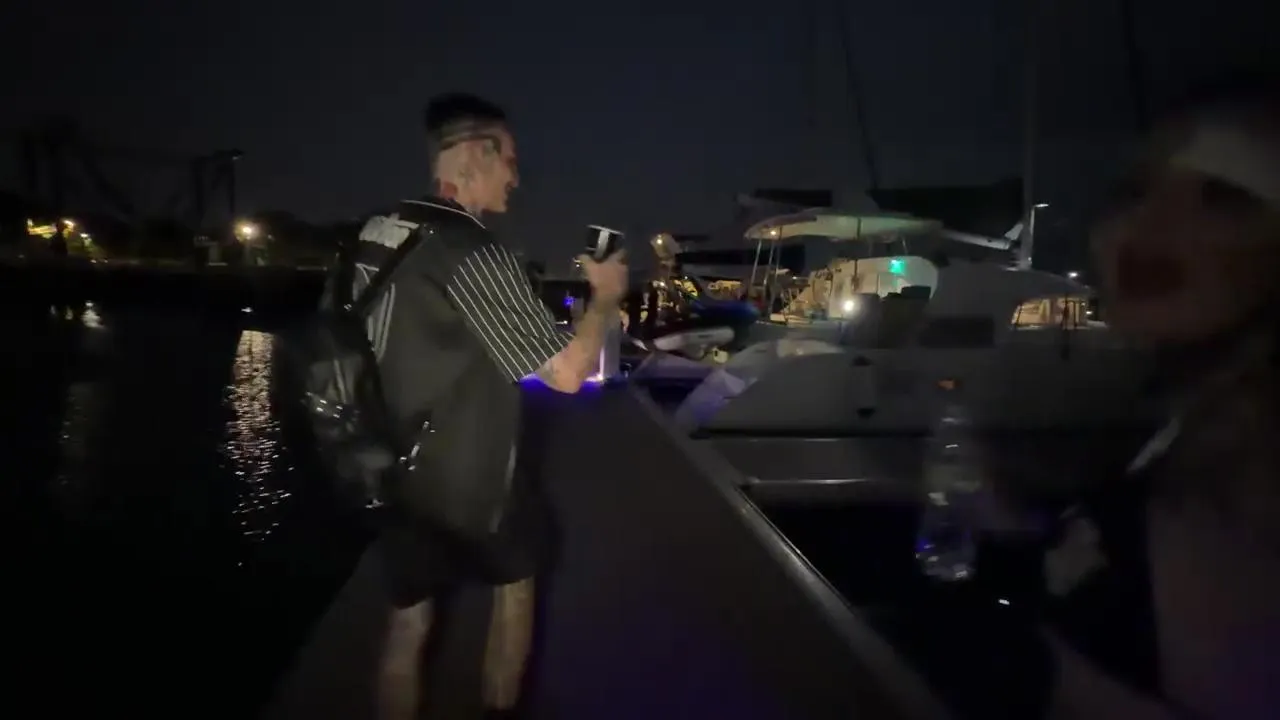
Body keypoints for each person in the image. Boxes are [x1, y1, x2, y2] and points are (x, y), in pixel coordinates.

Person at [264, 93, 628, 719]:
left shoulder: (372, 234)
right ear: (476, 157)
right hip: (471, 480)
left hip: (382, 468)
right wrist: (604, 298)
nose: (516, 176)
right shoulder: (473, 251)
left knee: (408, 623)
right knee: (516, 588)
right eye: (509, 159)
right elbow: (568, 374)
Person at [1040, 74, 1280, 719]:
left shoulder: (1256, 485)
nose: (1145, 225)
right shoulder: (1205, 427)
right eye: (1133, 191)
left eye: (1225, 197)